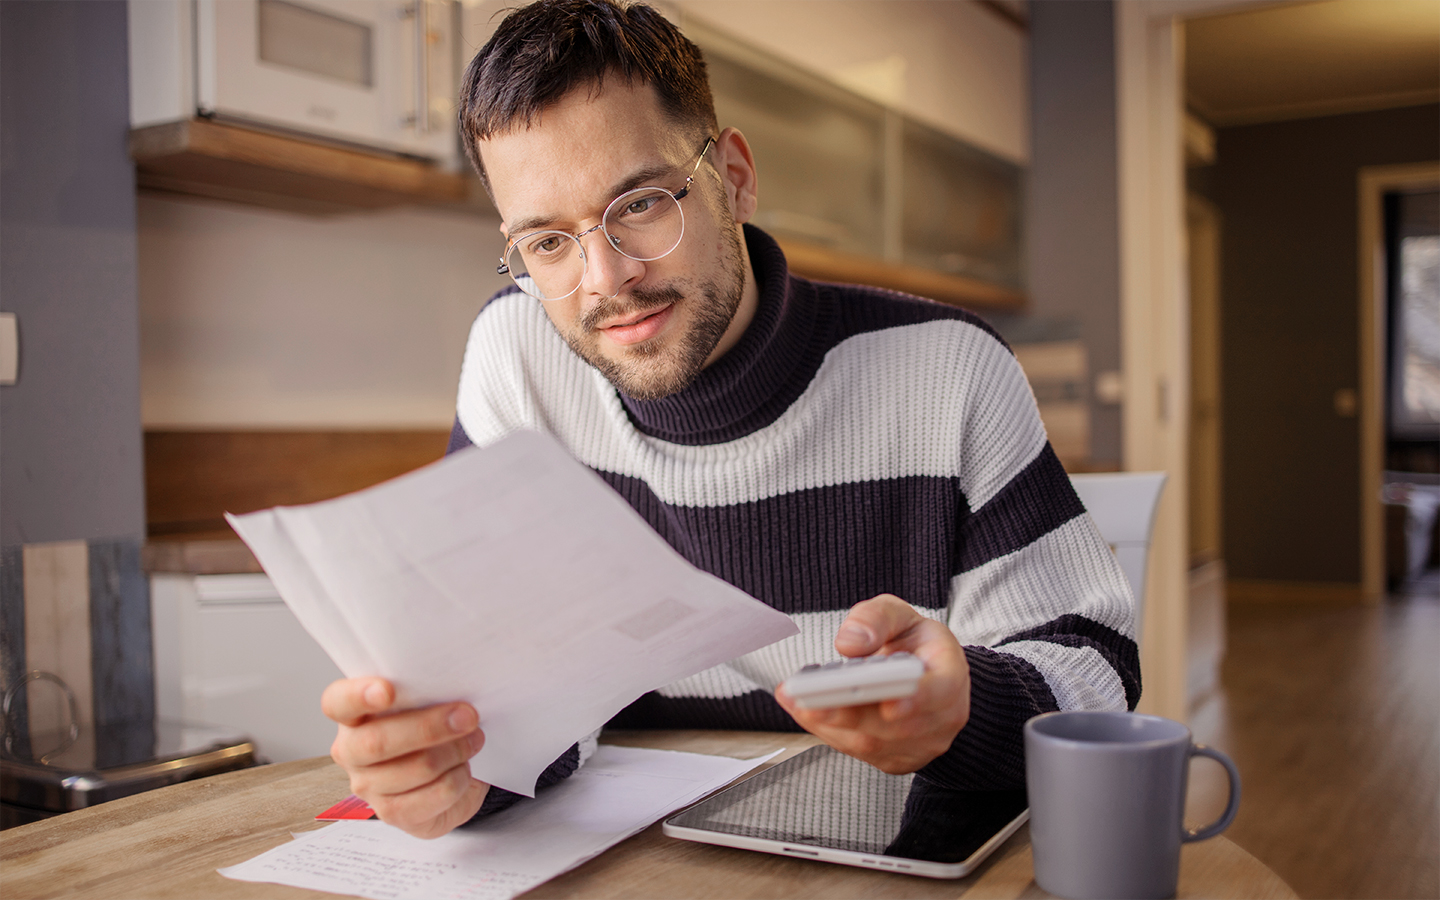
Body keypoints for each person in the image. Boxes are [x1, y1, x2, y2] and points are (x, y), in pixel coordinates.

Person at [322, 0, 1140, 840]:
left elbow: (1095, 666)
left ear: (736, 177)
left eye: (639, 204)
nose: (607, 279)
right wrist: (463, 772)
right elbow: (507, 692)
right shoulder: (515, 355)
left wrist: (966, 706)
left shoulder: (949, 368)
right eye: (548, 243)